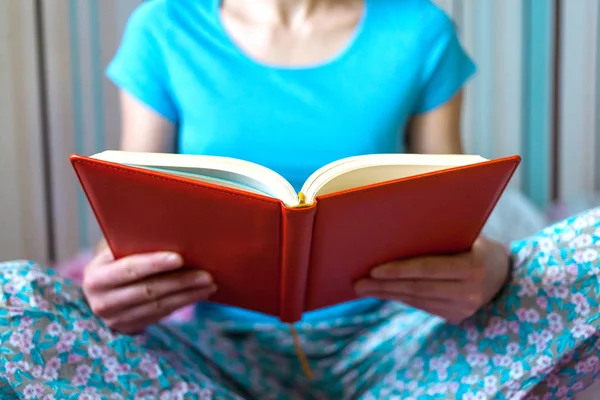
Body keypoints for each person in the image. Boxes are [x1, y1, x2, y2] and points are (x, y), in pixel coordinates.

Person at [0, 0, 598, 398]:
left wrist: (493, 268)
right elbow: (130, 221)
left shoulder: (420, 30)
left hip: (400, 348)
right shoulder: (165, 28)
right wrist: (111, 285)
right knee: (15, 302)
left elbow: (453, 212)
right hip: (216, 359)